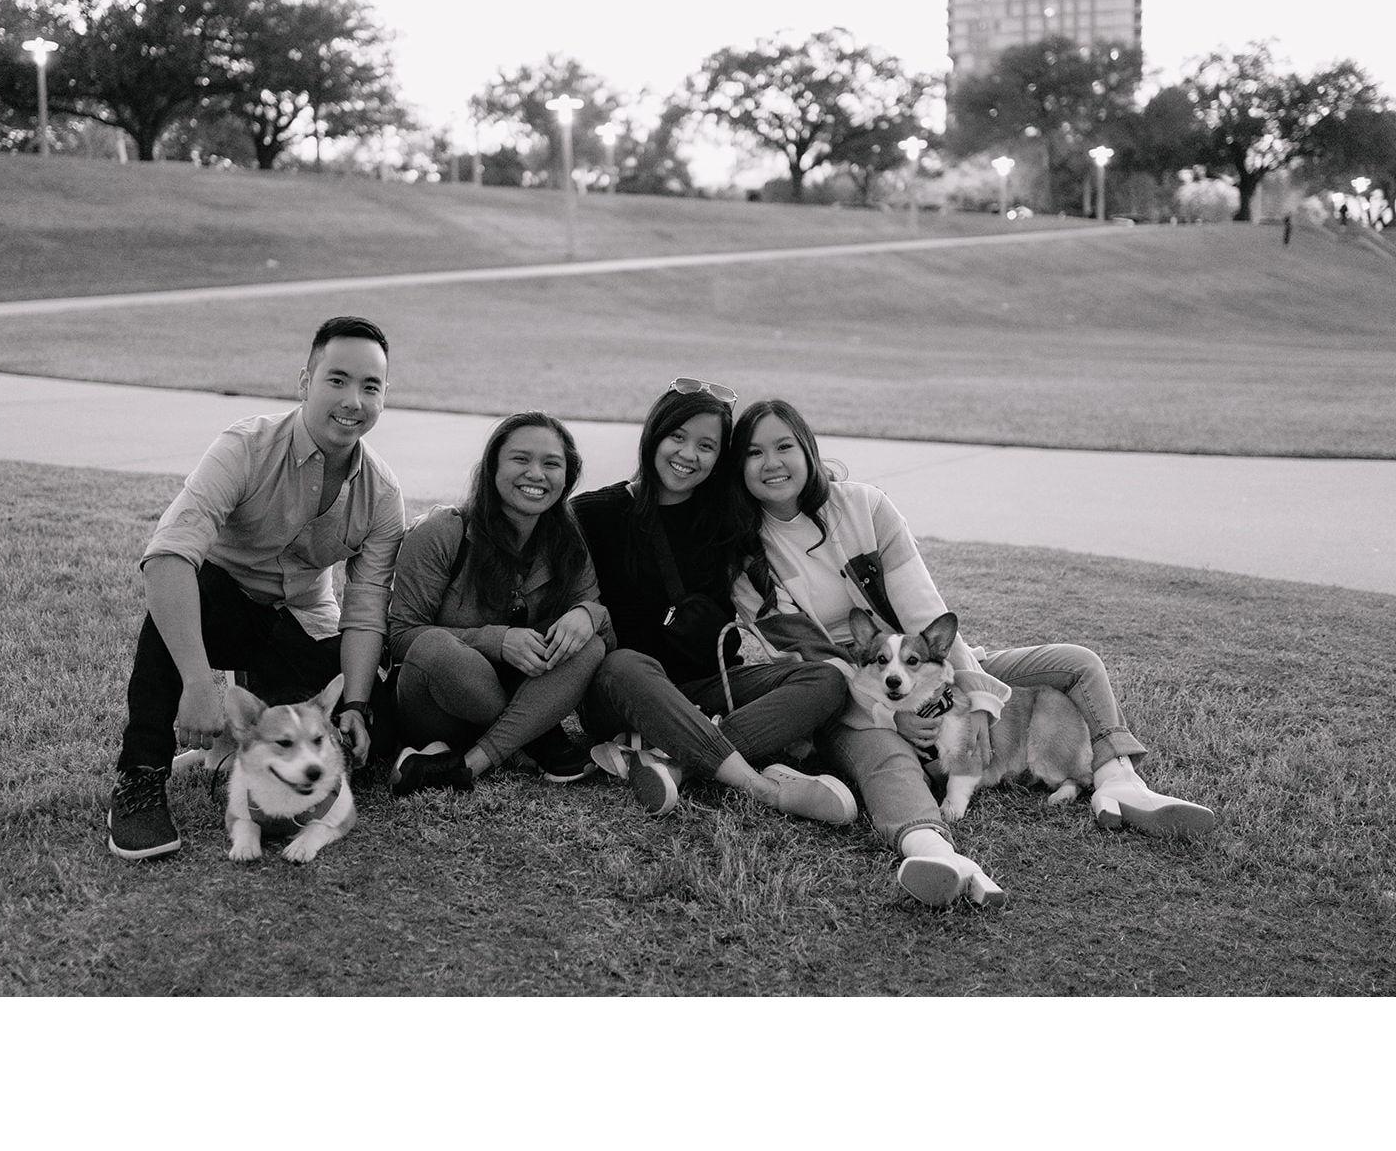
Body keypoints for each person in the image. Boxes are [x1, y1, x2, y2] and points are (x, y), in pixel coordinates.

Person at [727, 398, 1216, 910]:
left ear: (807, 448)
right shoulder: (747, 556)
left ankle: (1119, 784)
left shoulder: (866, 507)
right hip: (853, 693)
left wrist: (975, 694)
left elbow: (923, 611)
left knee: (1077, 663)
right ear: (741, 469)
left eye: (784, 446)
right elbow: (813, 665)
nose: (772, 463)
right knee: (891, 760)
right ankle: (933, 850)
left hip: (929, 662)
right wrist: (890, 718)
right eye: (754, 453)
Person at [106, 315, 404, 860]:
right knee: (192, 586)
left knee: (376, 726)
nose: (353, 400)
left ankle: (234, 744)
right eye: (336, 380)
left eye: (371, 386)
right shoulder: (244, 447)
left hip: (299, 618)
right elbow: (168, 557)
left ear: (385, 396)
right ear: (305, 381)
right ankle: (141, 778)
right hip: (221, 607)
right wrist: (197, 683)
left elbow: (365, 611)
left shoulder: (382, 494)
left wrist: (356, 703)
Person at [571, 380, 856, 825]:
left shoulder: (725, 519)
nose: (688, 455)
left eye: (707, 446)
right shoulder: (593, 513)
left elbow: (789, 501)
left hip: (711, 686)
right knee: (625, 662)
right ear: (654, 435)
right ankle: (759, 786)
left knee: (826, 680)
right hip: (624, 691)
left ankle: (675, 760)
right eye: (678, 437)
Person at [385, 412, 611, 794]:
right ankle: (533, 737)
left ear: (567, 476)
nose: (536, 474)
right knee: (437, 649)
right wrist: (496, 640)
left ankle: (469, 765)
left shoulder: (567, 541)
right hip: (442, 699)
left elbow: (602, 631)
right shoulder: (442, 532)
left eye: (551, 463)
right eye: (520, 459)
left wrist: (587, 613)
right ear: (493, 466)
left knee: (588, 642)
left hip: (525, 692)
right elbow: (403, 636)